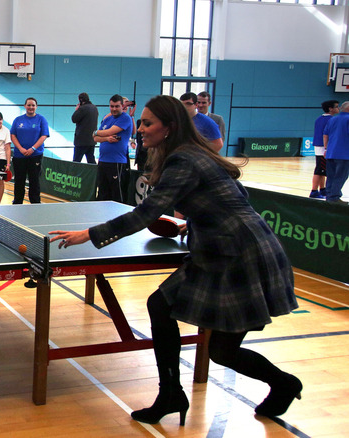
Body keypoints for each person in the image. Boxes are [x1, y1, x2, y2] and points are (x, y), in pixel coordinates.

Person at [49, 95, 301, 425]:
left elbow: (147, 213)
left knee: (221, 350)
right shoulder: (193, 155)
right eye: (141, 122)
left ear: (169, 128)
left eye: (148, 123)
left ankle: (282, 383)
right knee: (163, 307)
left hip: (239, 255)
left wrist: (88, 235)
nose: (140, 128)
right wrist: (193, 222)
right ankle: (170, 392)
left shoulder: (183, 160)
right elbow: (231, 198)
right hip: (220, 248)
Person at [93, 94, 133, 202]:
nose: (114, 109)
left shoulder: (125, 118)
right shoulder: (107, 119)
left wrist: (96, 132)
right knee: (102, 193)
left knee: (116, 195)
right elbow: (95, 138)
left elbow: (109, 132)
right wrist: (106, 138)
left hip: (116, 162)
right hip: (103, 161)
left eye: (116, 106)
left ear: (122, 106)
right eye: (112, 106)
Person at [10, 97, 49, 204]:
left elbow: (44, 136)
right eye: (29, 105)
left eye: (33, 105)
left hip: (35, 155)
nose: (31, 107)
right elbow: (13, 135)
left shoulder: (41, 119)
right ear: (25, 106)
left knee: (34, 181)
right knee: (19, 181)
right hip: (19, 156)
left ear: (36, 107)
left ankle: (35, 203)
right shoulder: (18, 120)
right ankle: (17, 203)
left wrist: (33, 149)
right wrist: (21, 149)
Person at [322, 101, 349, 205]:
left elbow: (325, 134)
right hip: (344, 153)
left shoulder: (333, 119)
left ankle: (329, 196)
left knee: (331, 176)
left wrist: (326, 149)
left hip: (331, 152)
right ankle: (334, 197)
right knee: (341, 176)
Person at [310, 100, 339, 198]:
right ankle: (314, 191)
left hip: (318, 146)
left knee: (322, 169)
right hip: (323, 147)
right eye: (336, 106)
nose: (338, 108)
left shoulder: (319, 118)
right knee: (319, 170)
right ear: (331, 109)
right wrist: (327, 148)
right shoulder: (331, 120)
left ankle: (322, 190)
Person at [71, 92, 98, 163]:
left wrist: (77, 110)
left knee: (76, 162)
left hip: (81, 141)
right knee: (91, 160)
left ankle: (74, 174)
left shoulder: (82, 108)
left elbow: (74, 119)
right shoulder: (94, 108)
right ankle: (94, 173)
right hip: (92, 140)